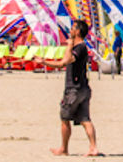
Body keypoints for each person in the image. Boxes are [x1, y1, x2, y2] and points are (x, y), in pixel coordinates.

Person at [44, 20, 100, 157]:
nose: (70, 30)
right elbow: (64, 61)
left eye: (73, 28)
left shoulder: (79, 48)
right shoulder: (80, 47)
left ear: (78, 31)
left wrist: (69, 46)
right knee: (85, 119)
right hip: (83, 88)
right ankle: (93, 147)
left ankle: (64, 148)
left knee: (65, 118)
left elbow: (65, 61)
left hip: (74, 89)